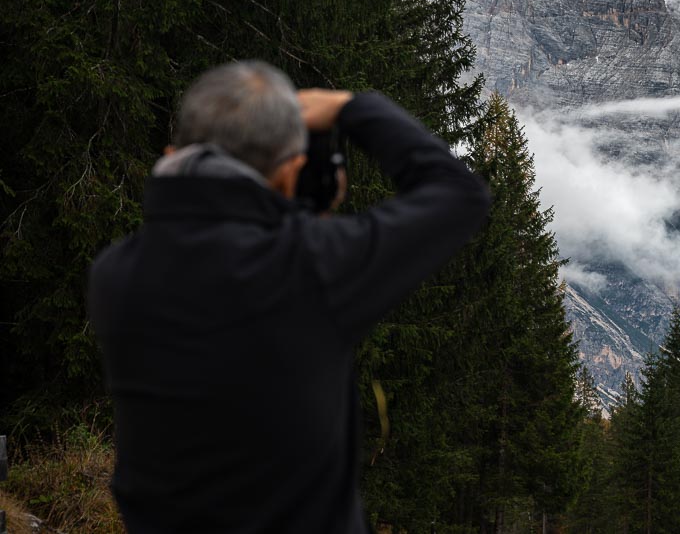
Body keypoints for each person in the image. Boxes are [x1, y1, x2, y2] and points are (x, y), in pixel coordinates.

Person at [87, 61, 491, 533]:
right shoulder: (310, 267)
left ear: (173, 155)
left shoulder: (115, 274)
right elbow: (460, 195)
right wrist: (352, 107)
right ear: (288, 175)